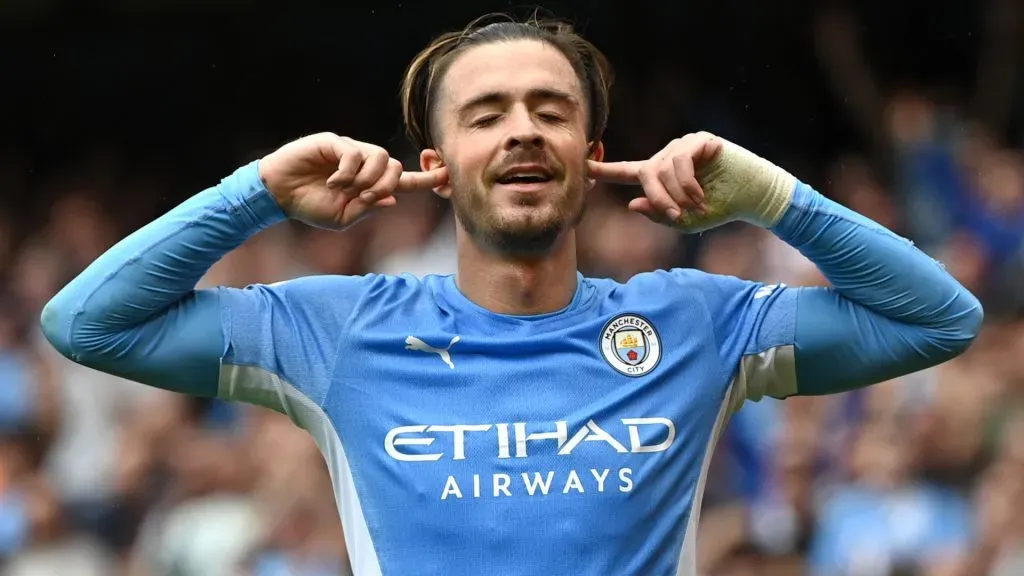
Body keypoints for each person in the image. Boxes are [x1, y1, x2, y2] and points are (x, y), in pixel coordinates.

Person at [40, 15, 982, 576]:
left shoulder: (696, 322)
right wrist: (255, 193)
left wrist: (776, 197)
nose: (523, 131)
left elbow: (940, 316)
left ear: (594, 156)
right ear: (438, 169)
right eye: (487, 116)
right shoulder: (337, 330)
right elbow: (86, 322)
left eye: (552, 110)